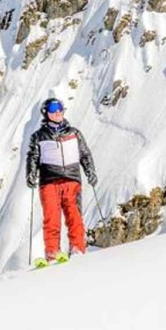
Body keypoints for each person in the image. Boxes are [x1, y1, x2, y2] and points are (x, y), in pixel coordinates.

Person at [24, 97, 97, 266]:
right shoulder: (39, 136)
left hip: (71, 179)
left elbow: (85, 154)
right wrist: (31, 174)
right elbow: (33, 156)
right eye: (53, 111)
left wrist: (90, 172)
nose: (57, 114)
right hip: (49, 181)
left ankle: (77, 248)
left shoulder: (74, 133)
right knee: (51, 217)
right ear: (46, 113)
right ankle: (52, 252)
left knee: (74, 216)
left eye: (59, 111)